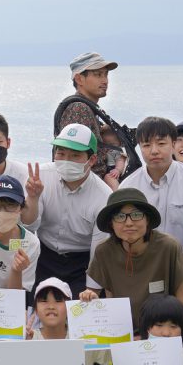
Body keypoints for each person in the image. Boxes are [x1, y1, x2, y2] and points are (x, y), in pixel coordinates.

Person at [85, 189, 183, 326]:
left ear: (147, 219)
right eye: (119, 216)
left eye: (136, 215)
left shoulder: (169, 247)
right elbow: (111, 299)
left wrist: (165, 332)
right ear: (111, 224)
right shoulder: (104, 251)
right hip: (125, 331)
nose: (129, 223)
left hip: (165, 330)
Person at [126, 117, 183, 269]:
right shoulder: (128, 186)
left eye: (161, 143)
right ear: (139, 147)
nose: (154, 151)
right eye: (146, 145)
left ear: (173, 145)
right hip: (139, 269)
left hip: (182, 269)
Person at [32, 123, 111, 290]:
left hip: (81, 262)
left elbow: (98, 252)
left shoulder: (103, 197)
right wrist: (32, 198)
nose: (66, 161)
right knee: (35, 303)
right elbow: (29, 226)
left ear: (92, 160)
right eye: (61, 153)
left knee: (78, 304)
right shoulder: (41, 177)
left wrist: (92, 291)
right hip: (43, 254)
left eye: (75, 155)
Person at [53, 51, 133, 179]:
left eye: (106, 75)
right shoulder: (79, 109)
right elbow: (75, 159)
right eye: (98, 75)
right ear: (79, 79)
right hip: (87, 186)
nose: (105, 81)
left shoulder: (89, 109)